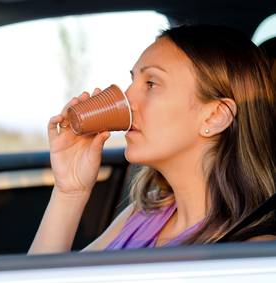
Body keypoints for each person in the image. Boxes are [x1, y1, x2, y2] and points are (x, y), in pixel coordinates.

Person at [28, 24, 276, 254]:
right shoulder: (144, 214)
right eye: (132, 81)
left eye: (151, 83)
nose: (127, 99)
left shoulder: (250, 255)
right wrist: (69, 191)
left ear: (215, 116)